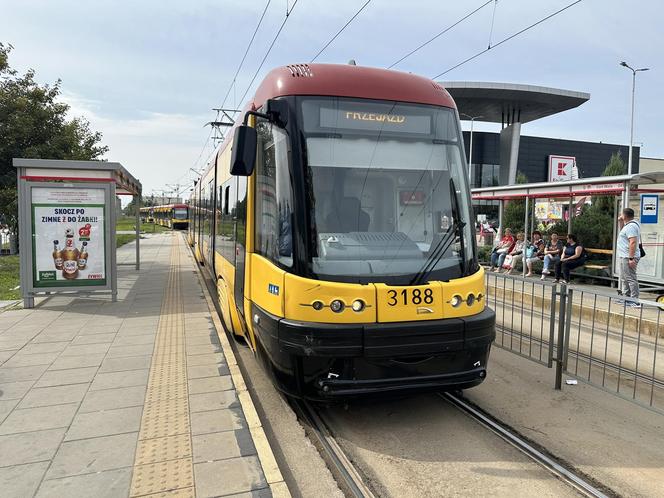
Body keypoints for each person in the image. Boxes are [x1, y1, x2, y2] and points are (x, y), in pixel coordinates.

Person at [617, 208, 642, 307]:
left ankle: (635, 300)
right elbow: (623, 232)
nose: (620, 215)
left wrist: (631, 258)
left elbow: (633, 242)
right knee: (624, 278)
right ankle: (626, 298)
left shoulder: (631, 226)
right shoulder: (627, 225)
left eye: (621, 214)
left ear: (625, 216)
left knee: (631, 278)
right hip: (624, 256)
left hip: (629, 257)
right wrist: (620, 221)